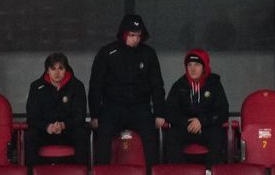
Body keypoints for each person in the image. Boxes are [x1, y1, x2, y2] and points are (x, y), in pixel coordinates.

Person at [89, 14, 166, 166]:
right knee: (103, 135)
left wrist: (159, 113)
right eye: (132, 35)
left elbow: (157, 85)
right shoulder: (107, 53)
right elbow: (96, 85)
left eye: (138, 36)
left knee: (150, 137)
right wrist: (95, 114)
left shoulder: (148, 54)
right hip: (113, 108)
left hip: (140, 108)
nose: (135, 39)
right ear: (124, 34)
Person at [162, 50, 229, 165]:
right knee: (171, 136)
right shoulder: (179, 85)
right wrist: (187, 122)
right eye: (189, 65)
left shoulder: (214, 84)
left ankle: (211, 173)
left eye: (197, 65)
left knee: (218, 136)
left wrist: (202, 121)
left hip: (207, 127)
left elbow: (223, 111)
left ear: (204, 67)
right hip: (185, 126)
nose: (193, 69)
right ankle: (180, 173)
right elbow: (169, 111)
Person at [24, 52, 89, 166]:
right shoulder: (36, 87)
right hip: (45, 132)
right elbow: (32, 116)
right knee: (30, 135)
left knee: (82, 134)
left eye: (61, 68)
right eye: (53, 69)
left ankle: (82, 174)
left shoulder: (77, 86)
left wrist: (64, 125)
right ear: (47, 70)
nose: (57, 73)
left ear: (66, 69)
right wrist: (47, 126)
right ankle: (31, 174)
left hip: (68, 131)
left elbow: (80, 115)